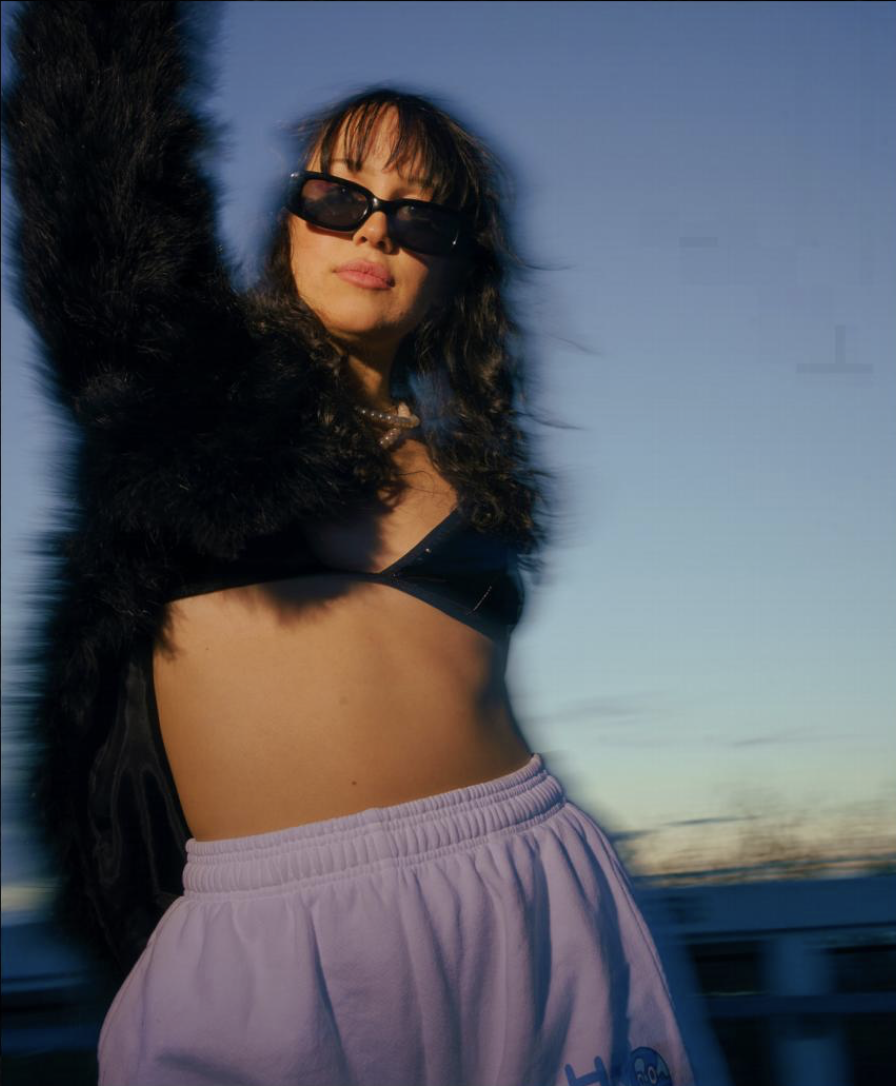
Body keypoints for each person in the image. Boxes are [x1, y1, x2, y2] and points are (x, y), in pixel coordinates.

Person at [2, 3, 704, 1084]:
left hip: (530, 891)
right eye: (339, 197)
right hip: (266, 938)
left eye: (420, 218)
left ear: (458, 269)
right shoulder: (184, 395)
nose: (375, 232)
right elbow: (93, 160)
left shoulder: (477, 469)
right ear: (290, 223)